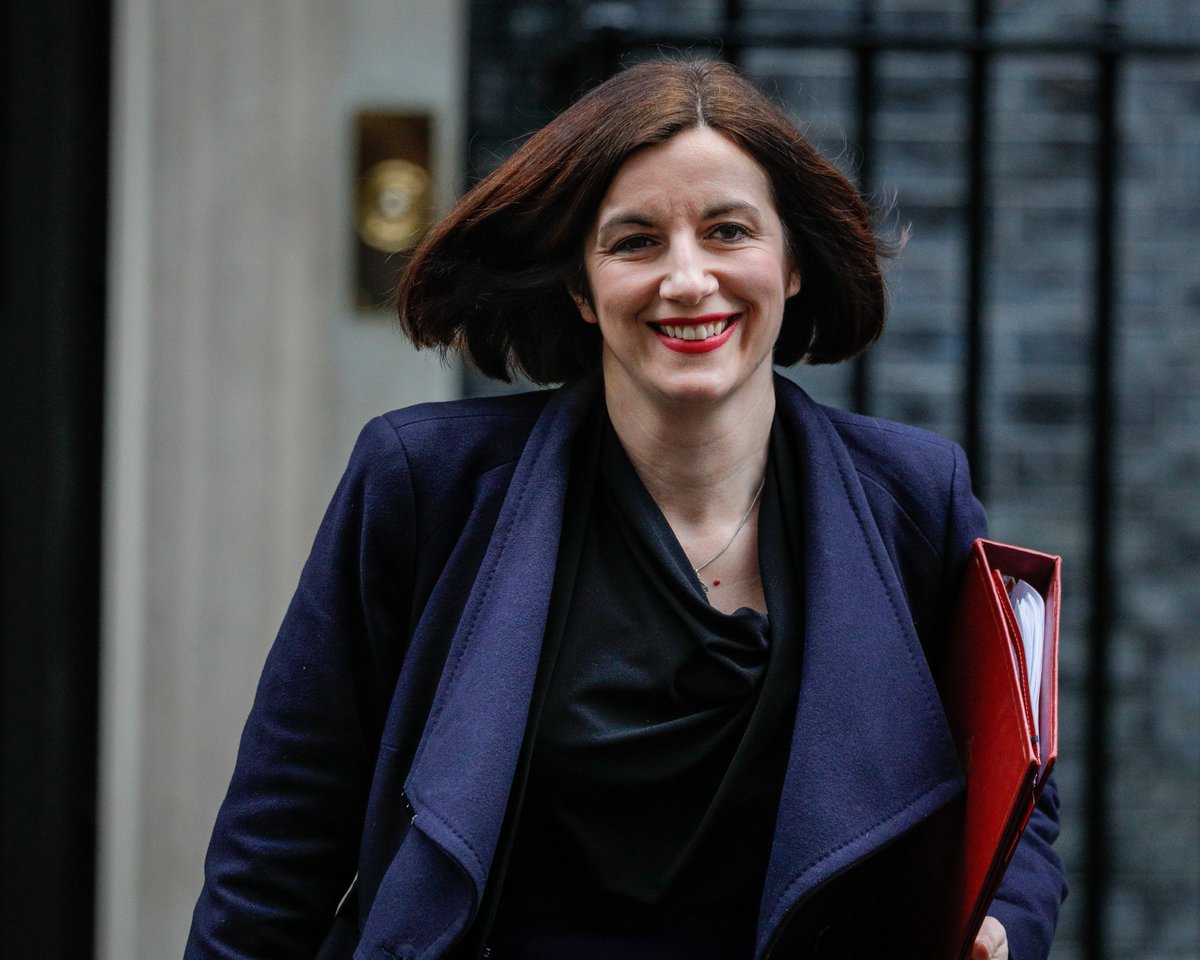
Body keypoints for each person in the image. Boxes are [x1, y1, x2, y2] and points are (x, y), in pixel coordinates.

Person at [185, 58, 1067, 960]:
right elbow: (280, 838)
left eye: (728, 231)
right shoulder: (422, 486)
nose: (687, 280)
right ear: (581, 287)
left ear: (792, 263)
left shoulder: (914, 499)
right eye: (635, 241)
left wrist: (1002, 928)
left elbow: (1015, 805)